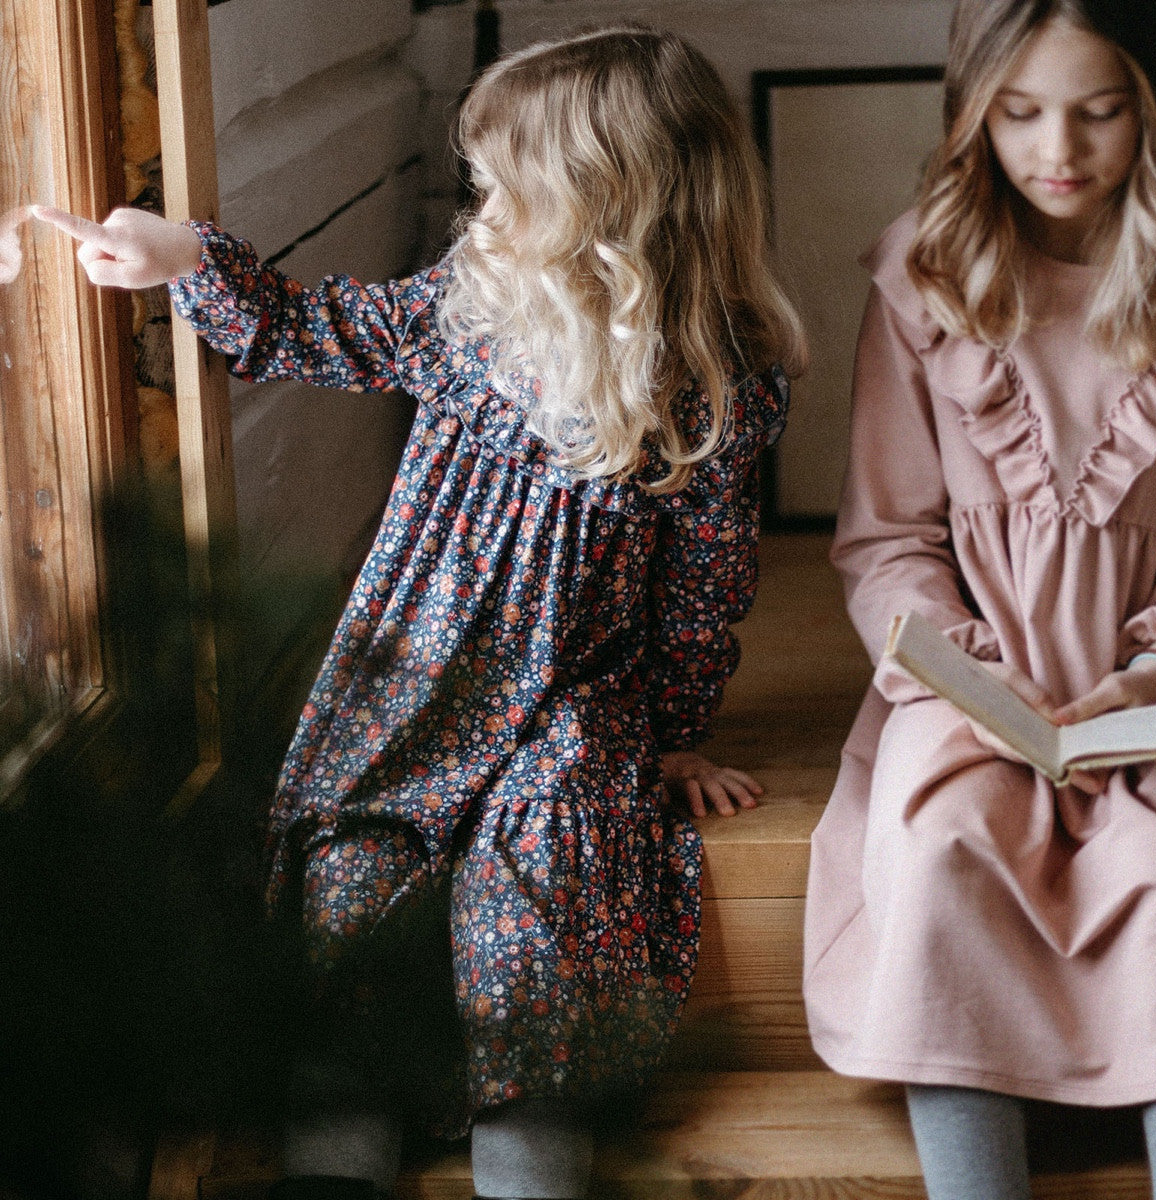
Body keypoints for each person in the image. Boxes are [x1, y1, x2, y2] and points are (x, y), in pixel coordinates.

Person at [33, 24, 804, 1200]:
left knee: (548, 891)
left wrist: (676, 728)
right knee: (348, 893)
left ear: (609, 205)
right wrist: (183, 252)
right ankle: (335, 1151)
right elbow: (309, 327)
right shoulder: (467, 313)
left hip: (568, 698)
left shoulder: (714, 384)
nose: (482, 210)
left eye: (507, 190)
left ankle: (531, 1153)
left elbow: (706, 583)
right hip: (414, 684)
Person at [803, 2, 1156, 1198]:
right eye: (1020, 113)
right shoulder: (928, 275)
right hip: (968, 687)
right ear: (974, 111)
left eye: (1100, 110)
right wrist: (971, 674)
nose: (1057, 149)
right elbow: (887, 543)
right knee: (941, 850)